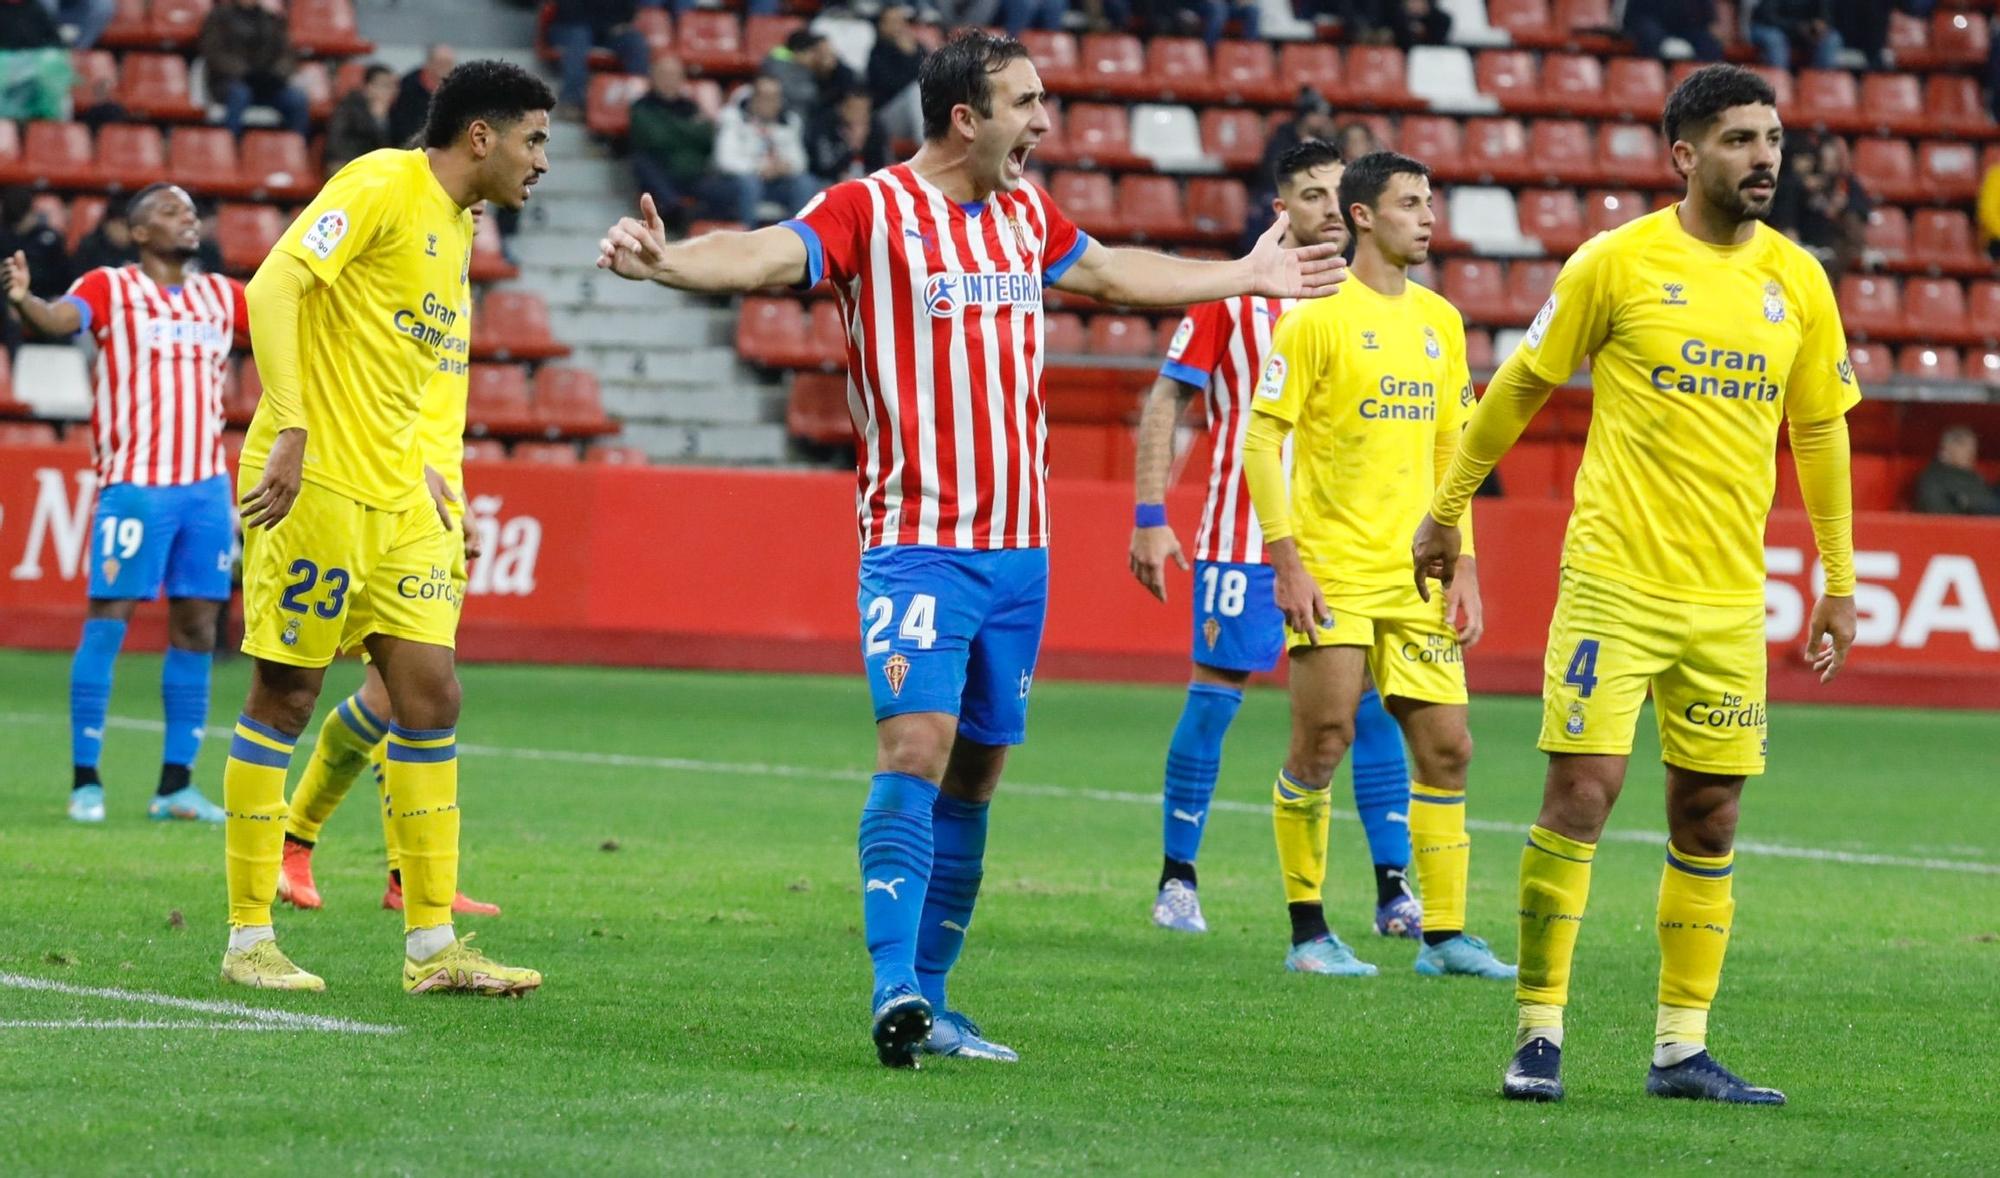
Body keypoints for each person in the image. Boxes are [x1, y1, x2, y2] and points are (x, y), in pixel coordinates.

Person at [595, 29, 1346, 1067]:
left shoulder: (1022, 213)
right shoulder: (873, 209)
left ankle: (934, 1001)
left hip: (1018, 554)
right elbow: (770, 250)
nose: (1043, 122)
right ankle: (892, 984)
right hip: (917, 545)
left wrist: (1241, 273)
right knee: (914, 746)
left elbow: (1116, 275)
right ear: (965, 117)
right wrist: (669, 259)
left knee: (980, 771)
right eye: (1026, 104)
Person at [1412, 64, 1860, 1105]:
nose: (1763, 158)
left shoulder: (1796, 279)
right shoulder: (1613, 263)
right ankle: (1534, 1031)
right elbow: (1520, 383)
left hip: (1722, 599)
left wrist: (1835, 579)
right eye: (1740, 139)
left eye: (1771, 138)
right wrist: (1445, 508)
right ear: (1682, 155)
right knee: (1580, 794)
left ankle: (1677, 1048)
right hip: (1612, 581)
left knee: (1708, 814)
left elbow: (1818, 428)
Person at [218, 60, 553, 995]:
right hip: (315, 484)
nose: (541, 163)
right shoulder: (379, 182)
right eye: (533, 140)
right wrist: (287, 422)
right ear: (479, 136)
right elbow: (271, 288)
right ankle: (248, 940)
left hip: (406, 505)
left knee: (431, 697)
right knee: (285, 696)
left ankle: (432, 949)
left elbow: (433, 380)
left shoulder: (457, 227)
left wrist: (450, 488)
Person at [1130, 141, 1426, 942]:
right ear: (1281, 211)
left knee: (1365, 710)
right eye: (1309, 195)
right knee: (1216, 695)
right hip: (1241, 538)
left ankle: (1394, 887)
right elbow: (1167, 404)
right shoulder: (1231, 297)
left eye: (1338, 193)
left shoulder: (1380, 300)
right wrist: (1151, 514)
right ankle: (1178, 877)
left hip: (1346, 544)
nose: (1328, 208)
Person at [1242, 150, 1512, 982]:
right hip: (1335, 570)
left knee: (1449, 748)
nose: (1428, 216)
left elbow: (1452, 450)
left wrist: (1461, 559)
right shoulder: (1315, 317)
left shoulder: (1441, 321)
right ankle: (1308, 933)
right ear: (1362, 216)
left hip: (1416, 578)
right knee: (1323, 741)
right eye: (1408, 203)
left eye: (1431, 201)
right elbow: (1263, 439)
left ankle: (1446, 937)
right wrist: (1287, 563)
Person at [277, 202, 503, 918]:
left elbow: (435, 401)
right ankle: (296, 837)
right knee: (381, 692)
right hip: (371, 481)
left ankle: (405, 875)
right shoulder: (389, 240)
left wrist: (453, 498)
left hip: (435, 491)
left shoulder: (458, 264)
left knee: (413, 693)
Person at [5, 184, 243, 826]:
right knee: (107, 619)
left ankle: (175, 787)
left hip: (206, 489)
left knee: (197, 627)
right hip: (136, 485)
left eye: (192, 211)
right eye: (169, 212)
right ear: (138, 232)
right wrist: (26, 300)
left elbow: (294, 323)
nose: (186, 219)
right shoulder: (110, 287)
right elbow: (58, 320)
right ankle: (86, 780)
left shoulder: (222, 296)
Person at [629, 54, 718, 236]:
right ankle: (675, 210)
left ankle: (688, 216)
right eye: (663, 75)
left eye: (674, 75)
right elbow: (655, 138)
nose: (669, 80)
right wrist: (689, 129)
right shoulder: (642, 106)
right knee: (642, 162)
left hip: (695, 173)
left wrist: (669, 126)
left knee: (728, 187)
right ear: (652, 78)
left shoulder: (691, 106)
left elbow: (708, 138)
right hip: (662, 172)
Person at [712, 76, 816, 228]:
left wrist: (785, 167)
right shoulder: (732, 117)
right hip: (735, 183)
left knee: (805, 183)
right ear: (753, 97)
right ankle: (749, 240)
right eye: (764, 97)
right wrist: (759, 168)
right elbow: (725, 161)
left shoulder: (789, 121)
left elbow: (800, 162)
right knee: (749, 184)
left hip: (775, 183)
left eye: (774, 98)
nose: (769, 103)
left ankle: (798, 239)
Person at [199, 0, 310, 139]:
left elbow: (286, 55)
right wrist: (245, 73)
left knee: (296, 99)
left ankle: (295, 149)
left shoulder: (271, 19)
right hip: (229, 81)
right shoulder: (218, 18)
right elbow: (214, 53)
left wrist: (276, 74)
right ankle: (229, 146)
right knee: (239, 94)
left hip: (267, 84)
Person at [548, 0, 656, 112]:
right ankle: (571, 101)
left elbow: (628, 10)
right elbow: (571, 13)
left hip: (607, 32)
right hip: (569, 28)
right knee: (579, 36)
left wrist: (618, 24)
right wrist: (608, 24)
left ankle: (640, 100)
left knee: (635, 41)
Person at [762, 29, 858, 120]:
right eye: (812, 53)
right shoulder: (779, 66)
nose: (815, 58)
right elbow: (799, 94)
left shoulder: (802, 66)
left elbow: (849, 79)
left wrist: (835, 66)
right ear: (799, 53)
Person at [868, 4, 928, 147]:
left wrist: (913, 53)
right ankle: (929, 147)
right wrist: (909, 56)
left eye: (901, 21)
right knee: (915, 90)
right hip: (887, 119)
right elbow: (892, 85)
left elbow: (931, 76)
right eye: (893, 22)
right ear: (881, 26)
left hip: (917, 116)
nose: (899, 26)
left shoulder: (915, 47)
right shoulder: (877, 53)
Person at [325, 63, 398, 176]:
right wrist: (377, 122)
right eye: (384, 85)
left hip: (376, 165)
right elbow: (336, 144)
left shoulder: (397, 111)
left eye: (393, 86)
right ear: (368, 87)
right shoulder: (349, 107)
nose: (391, 91)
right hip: (348, 162)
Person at [808, 90, 890, 187]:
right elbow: (822, 167)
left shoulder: (875, 127)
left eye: (864, 110)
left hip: (867, 181)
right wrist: (849, 148)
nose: (860, 114)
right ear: (842, 108)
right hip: (831, 181)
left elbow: (883, 164)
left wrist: (861, 144)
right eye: (855, 109)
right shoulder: (825, 126)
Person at [1913, 426, 2000, 514]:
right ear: (1946, 449)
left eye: (1973, 448)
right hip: (1955, 524)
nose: (1971, 453)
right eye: (1964, 446)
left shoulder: (1958, 473)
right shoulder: (1940, 477)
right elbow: (1981, 503)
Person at [389, 43, 454, 148]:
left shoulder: (457, 89)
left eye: (448, 63)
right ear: (429, 62)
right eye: (440, 62)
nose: (444, 67)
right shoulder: (407, 87)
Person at [1747, 0, 1842, 70]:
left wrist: (1821, 24)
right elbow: (1768, 17)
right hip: (1768, 27)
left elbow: (1826, 15)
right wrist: (1797, 27)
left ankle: (1818, 85)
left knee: (1832, 38)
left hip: (1803, 31)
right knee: (1775, 40)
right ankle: (1778, 86)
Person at [1623, 0, 1726, 62]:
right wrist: (1664, 42)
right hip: (1652, 30)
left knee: (1710, 45)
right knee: (1646, 30)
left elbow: (1707, 19)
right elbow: (1633, 16)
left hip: (1687, 28)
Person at [71, 206, 138, 272]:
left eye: (132, 226)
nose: (128, 231)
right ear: (108, 224)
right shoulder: (90, 248)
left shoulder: (139, 248)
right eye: (123, 224)